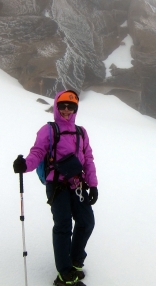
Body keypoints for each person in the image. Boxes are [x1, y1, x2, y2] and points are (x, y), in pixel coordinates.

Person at [13, 90, 98, 286]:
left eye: (71, 106)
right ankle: (64, 274)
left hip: (77, 185)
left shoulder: (81, 132)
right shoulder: (48, 130)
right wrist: (25, 165)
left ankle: (75, 260)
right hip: (57, 186)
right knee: (63, 226)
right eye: (63, 105)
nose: (67, 110)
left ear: (76, 108)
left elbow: (88, 159)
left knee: (86, 222)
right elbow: (37, 152)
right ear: (57, 107)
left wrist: (92, 185)